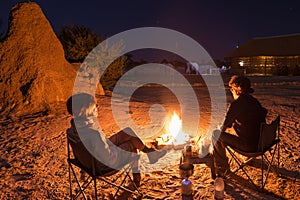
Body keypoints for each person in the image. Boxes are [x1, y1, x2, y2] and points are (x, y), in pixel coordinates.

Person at [66, 93, 167, 186]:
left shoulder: (72, 130)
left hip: (88, 160)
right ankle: (136, 179)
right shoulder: (93, 134)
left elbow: (97, 146)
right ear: (86, 110)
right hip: (102, 165)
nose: (98, 107)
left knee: (128, 132)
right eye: (95, 105)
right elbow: (109, 158)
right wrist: (123, 146)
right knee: (132, 146)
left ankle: (149, 152)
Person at [213, 75, 267, 177]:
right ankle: (247, 159)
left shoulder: (237, 104)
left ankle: (222, 169)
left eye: (232, 89)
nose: (231, 91)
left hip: (249, 146)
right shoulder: (254, 101)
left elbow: (224, 126)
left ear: (237, 90)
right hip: (262, 142)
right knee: (238, 128)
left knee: (217, 135)